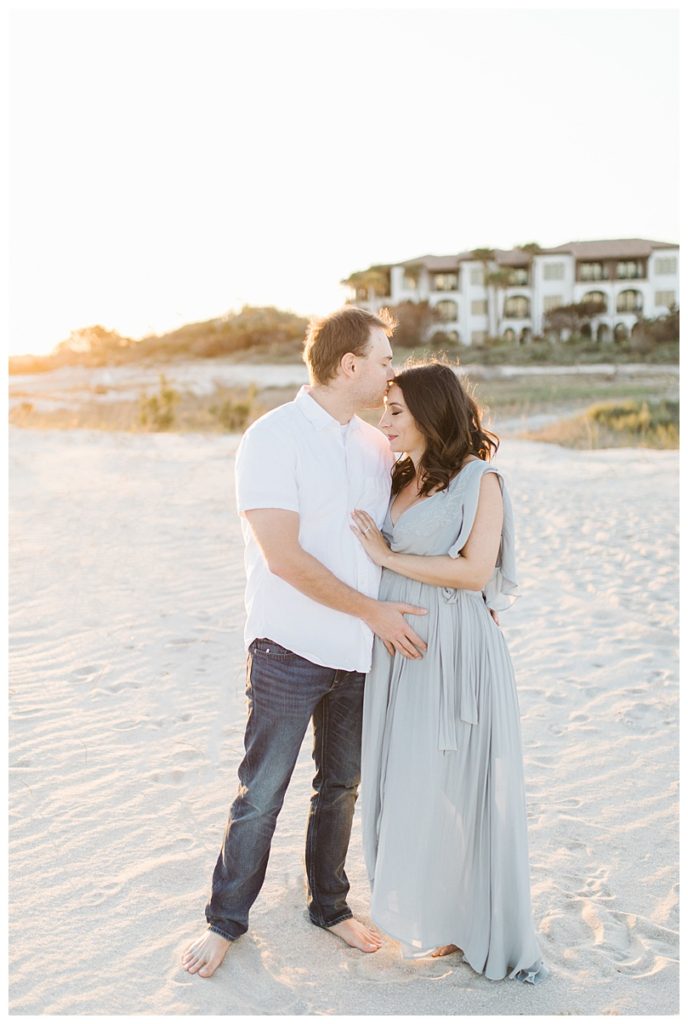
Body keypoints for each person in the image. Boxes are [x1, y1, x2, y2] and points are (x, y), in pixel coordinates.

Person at [182, 307, 429, 979]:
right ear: (350, 366)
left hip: (358, 650)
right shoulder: (273, 438)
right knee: (262, 791)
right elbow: (284, 558)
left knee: (341, 787)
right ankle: (224, 921)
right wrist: (374, 611)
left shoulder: (376, 445)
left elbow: (422, 508)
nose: (390, 372)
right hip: (289, 647)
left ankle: (330, 905)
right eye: (383, 360)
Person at [351, 360, 547, 984]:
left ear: (431, 414)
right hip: (398, 652)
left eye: (396, 411)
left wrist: (386, 556)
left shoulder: (478, 480)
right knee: (411, 783)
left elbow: (474, 572)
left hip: (456, 652)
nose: (383, 420)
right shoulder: (398, 473)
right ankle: (433, 915)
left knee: (461, 788)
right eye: (384, 408)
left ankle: (473, 926)